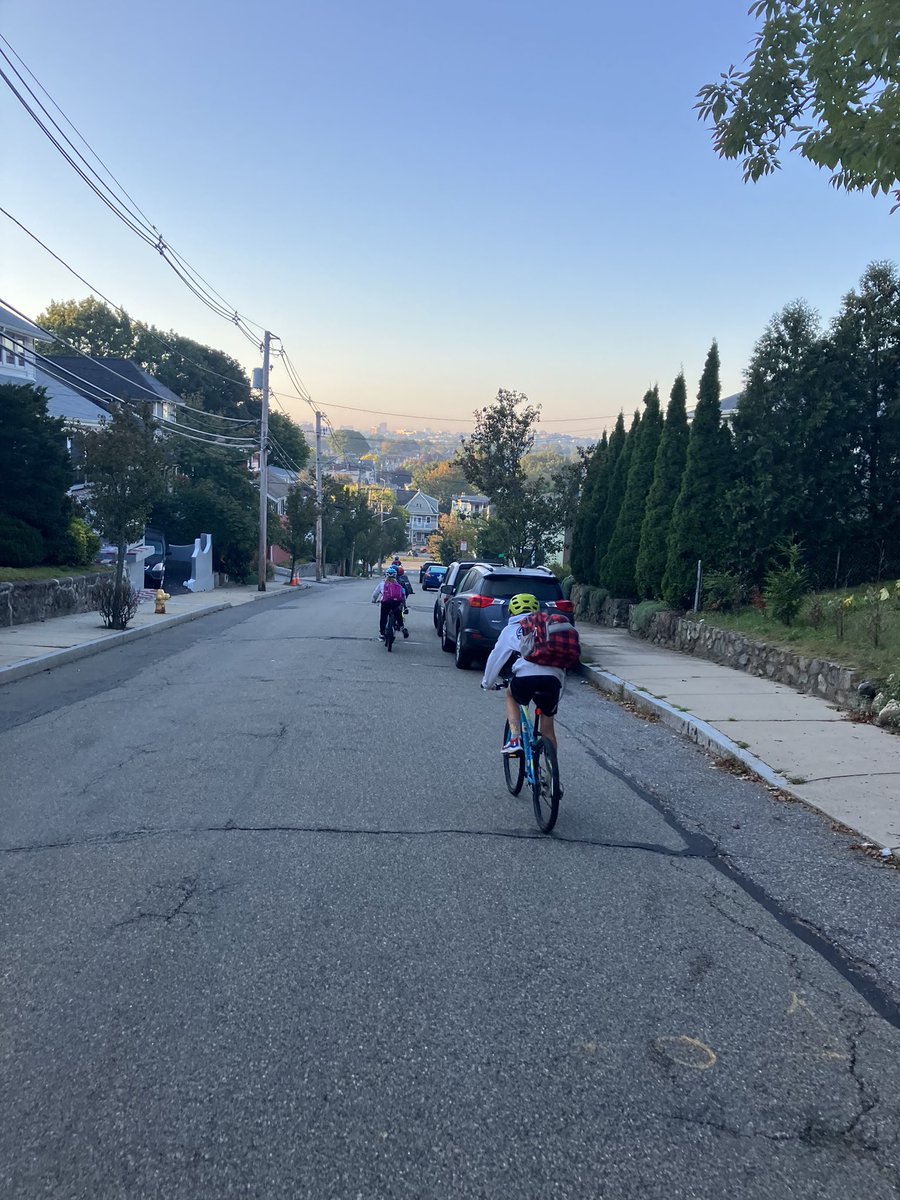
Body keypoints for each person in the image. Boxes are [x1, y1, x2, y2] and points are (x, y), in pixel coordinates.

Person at [481, 593, 564, 755]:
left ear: (511, 612)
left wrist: (487, 683)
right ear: (537, 610)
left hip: (525, 677)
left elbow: (496, 657)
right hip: (553, 678)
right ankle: (551, 776)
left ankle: (515, 738)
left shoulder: (511, 629)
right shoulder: (549, 626)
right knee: (548, 731)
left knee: (511, 695)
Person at [371, 567, 408, 639]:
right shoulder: (399, 585)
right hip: (396, 602)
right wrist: (403, 604)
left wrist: (374, 600)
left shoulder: (382, 584)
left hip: (385, 602)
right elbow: (403, 595)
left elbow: (375, 594)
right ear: (395, 575)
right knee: (398, 614)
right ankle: (402, 627)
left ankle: (382, 634)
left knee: (383, 617)